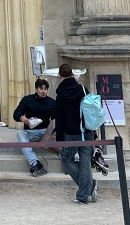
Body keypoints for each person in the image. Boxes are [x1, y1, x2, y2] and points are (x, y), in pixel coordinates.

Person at [54, 63, 97, 205]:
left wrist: (59, 139)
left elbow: (59, 118)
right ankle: (85, 192)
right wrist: (94, 131)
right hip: (87, 131)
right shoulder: (83, 89)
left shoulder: (60, 94)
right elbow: (90, 111)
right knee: (85, 164)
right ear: (72, 74)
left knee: (67, 159)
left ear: (60, 75)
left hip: (71, 133)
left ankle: (87, 191)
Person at [12, 77, 55, 176]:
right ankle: (35, 163)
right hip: (31, 132)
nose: (43, 91)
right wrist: (22, 118)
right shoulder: (27, 100)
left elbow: (55, 120)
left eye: (45, 89)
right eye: (41, 88)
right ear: (36, 89)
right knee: (20, 133)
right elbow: (16, 114)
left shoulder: (52, 102)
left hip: (46, 132)